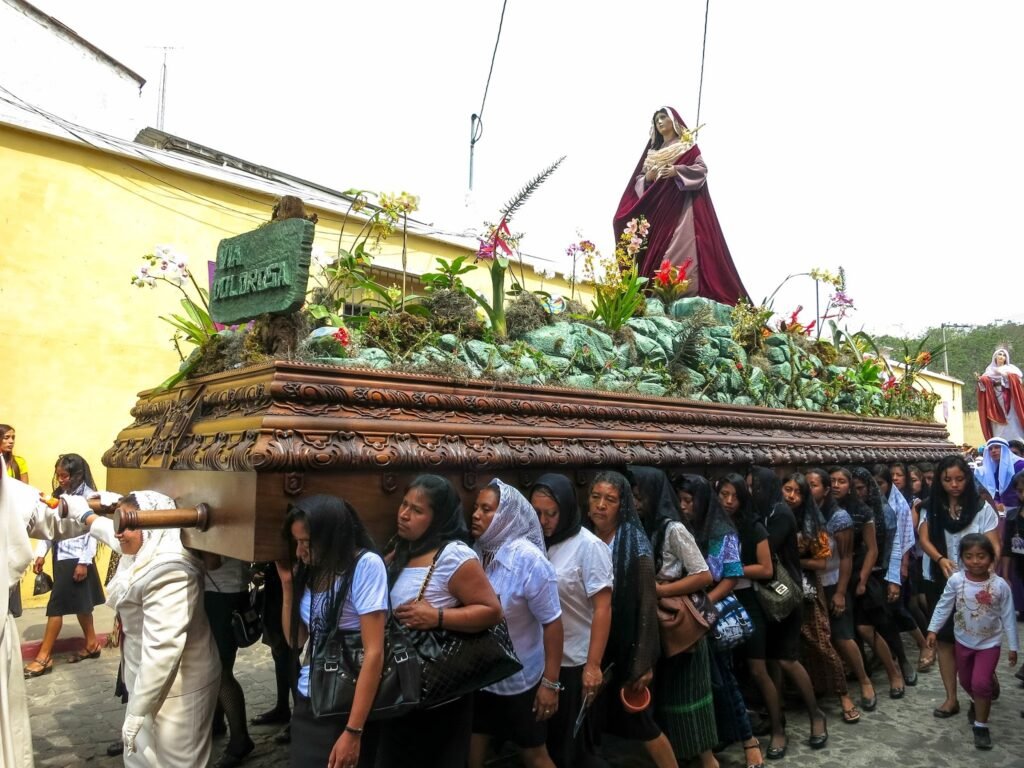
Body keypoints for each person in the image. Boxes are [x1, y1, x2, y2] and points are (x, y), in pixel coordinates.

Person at [67, 489, 222, 766]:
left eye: (128, 525)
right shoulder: (144, 548)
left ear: (153, 526)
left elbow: (162, 649)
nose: (119, 533)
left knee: (176, 761)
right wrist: (85, 515)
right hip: (147, 681)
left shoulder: (171, 570)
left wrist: (137, 711)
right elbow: (112, 532)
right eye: (119, 523)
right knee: (145, 759)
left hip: (180, 685)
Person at [377, 474, 503, 768]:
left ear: (439, 517)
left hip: (436, 693)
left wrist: (437, 616)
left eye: (417, 510)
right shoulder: (401, 549)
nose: (405, 514)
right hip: (397, 686)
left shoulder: (454, 556)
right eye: (404, 505)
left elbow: (491, 610)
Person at [276, 494, 388, 768]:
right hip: (309, 697)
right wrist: (288, 586)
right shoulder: (312, 569)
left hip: (346, 703)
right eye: (297, 542)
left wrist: (353, 731)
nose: (300, 551)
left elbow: (374, 653)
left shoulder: (365, 566)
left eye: (306, 543)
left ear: (331, 536)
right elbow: (297, 640)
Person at [469, 479, 562, 768]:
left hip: (520, 679)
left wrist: (550, 683)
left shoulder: (529, 560)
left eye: (486, 509)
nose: (476, 514)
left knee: (533, 753)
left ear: (506, 517)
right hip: (481, 675)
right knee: (473, 750)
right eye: (476, 507)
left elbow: (553, 623)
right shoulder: (474, 551)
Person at [613, 107, 748, 305]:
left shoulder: (686, 147)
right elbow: (639, 182)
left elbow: (701, 170)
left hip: (681, 207)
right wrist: (648, 178)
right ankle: (655, 292)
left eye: (663, 117)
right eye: (656, 119)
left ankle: (683, 290)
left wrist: (677, 170)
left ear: (674, 120)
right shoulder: (653, 152)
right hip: (658, 209)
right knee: (645, 240)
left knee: (680, 244)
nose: (659, 122)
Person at [630, 467, 718, 768]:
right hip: (657, 623)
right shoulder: (642, 527)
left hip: (679, 624)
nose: (635, 502)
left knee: (690, 697)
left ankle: (707, 761)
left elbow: (703, 574)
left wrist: (659, 590)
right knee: (668, 698)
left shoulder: (673, 530)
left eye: (639, 497)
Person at [588, 471, 676, 767]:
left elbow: (647, 605)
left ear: (622, 505)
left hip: (628, 647)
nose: (601, 505)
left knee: (641, 722)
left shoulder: (635, 543)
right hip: (598, 645)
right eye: (596, 497)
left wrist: (643, 662)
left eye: (610, 500)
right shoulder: (586, 537)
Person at [676, 474, 762, 768]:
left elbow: (732, 575)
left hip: (710, 610)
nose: (684, 506)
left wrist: (706, 603)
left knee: (724, 678)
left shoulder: (722, 530)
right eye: (681, 501)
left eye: (689, 501)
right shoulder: (682, 528)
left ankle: (749, 740)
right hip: (689, 613)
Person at [529, 473, 613, 768]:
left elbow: (602, 608)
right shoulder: (536, 543)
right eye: (536, 513)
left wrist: (593, 665)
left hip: (573, 661)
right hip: (540, 660)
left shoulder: (588, 546)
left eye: (551, 514)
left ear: (565, 510)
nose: (543, 521)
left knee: (571, 750)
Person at [747, 467, 827, 753]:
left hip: (783, 594)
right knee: (768, 662)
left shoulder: (780, 514)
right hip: (761, 595)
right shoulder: (759, 512)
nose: (749, 492)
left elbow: (764, 550)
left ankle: (816, 715)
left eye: (753, 487)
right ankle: (777, 722)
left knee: (786, 659)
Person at [918, 454, 1001, 719]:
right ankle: (951, 698)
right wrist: (940, 559)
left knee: (976, 637)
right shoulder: (930, 507)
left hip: (974, 584)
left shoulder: (980, 508)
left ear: (967, 478)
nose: (954, 485)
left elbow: (994, 545)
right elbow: (924, 538)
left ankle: (981, 685)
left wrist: (985, 575)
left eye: (959, 479)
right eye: (947, 480)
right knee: (944, 640)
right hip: (939, 580)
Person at [926, 534, 1019, 750]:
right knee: (967, 682)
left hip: (990, 643)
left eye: (981, 556)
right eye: (969, 556)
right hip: (963, 641)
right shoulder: (956, 581)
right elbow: (943, 605)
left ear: (990, 558)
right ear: (961, 558)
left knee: (979, 683)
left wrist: (1013, 647)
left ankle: (980, 726)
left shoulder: (1000, 586)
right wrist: (933, 629)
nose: (975, 561)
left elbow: (1008, 617)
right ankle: (983, 694)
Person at [782, 473, 858, 722]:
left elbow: (823, 563)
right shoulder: (777, 517)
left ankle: (843, 694)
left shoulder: (816, 522)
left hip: (807, 589)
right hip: (781, 588)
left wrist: (793, 560)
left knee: (822, 642)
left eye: (798, 492)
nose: (791, 496)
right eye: (787, 489)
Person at [24, 454, 105, 677]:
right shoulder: (60, 496)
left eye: (65, 475)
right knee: (82, 605)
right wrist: (40, 553)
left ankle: (44, 657)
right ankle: (91, 644)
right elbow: (50, 528)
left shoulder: (90, 497)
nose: (60, 479)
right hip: (61, 557)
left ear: (77, 474)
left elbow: (93, 533)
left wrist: (84, 562)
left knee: (56, 607)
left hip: (77, 559)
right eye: (58, 475)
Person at [804, 468, 873, 721]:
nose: (809, 489)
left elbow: (846, 557)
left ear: (823, 490)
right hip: (809, 584)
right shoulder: (803, 513)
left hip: (832, 582)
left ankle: (864, 680)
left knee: (843, 637)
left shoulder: (838, 517)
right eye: (807, 484)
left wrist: (841, 592)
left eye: (814, 485)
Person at [204, 556, 255, 767]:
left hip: (221, 594)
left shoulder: (222, 522)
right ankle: (217, 722)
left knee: (220, 671)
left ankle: (240, 739)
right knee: (216, 665)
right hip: (228, 590)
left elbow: (212, 561)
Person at [976, 348, 1024, 442]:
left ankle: (1017, 438)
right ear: (995, 357)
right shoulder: (989, 371)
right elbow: (984, 387)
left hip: (1009, 398)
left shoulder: (1011, 369)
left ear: (1006, 358)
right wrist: (981, 381)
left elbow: (1018, 381)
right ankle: (999, 439)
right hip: (995, 399)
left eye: (1004, 355)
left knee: (1012, 418)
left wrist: (1006, 375)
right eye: (1000, 354)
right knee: (997, 423)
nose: (1002, 356)